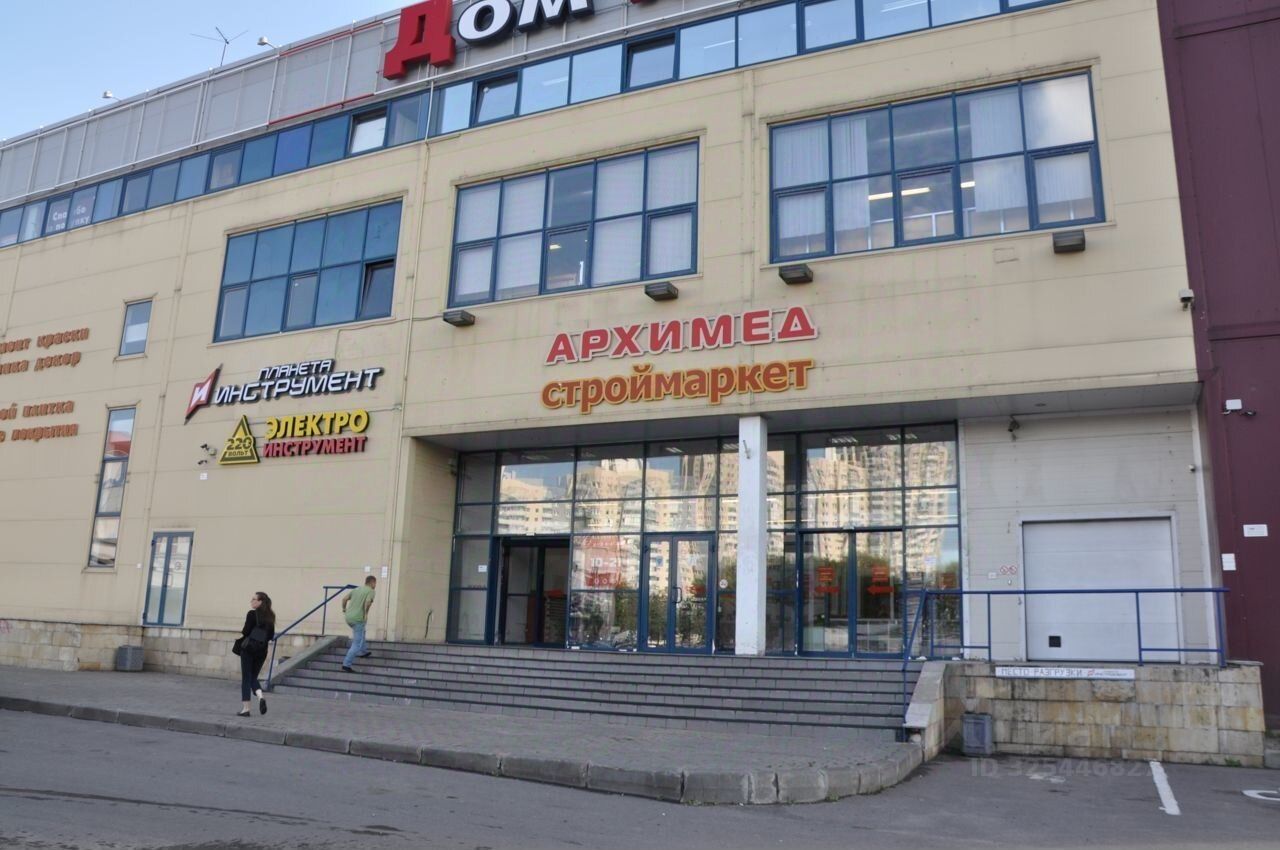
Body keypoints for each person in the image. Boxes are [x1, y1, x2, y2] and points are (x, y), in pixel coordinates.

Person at [234, 591, 275, 717]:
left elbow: (245, 631)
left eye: (254, 599)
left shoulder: (251, 614)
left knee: (247, 678)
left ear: (260, 602)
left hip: (249, 649)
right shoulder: (270, 616)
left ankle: (246, 709)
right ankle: (260, 696)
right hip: (262, 651)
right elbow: (271, 636)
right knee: (253, 677)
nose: (251, 601)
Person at [341, 576, 376, 672]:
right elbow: (368, 602)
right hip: (358, 619)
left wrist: (344, 609)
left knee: (362, 631)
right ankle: (346, 664)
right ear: (372, 582)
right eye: (375, 583)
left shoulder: (356, 589)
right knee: (356, 643)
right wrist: (366, 614)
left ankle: (363, 651)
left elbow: (344, 599)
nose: (375, 585)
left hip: (348, 617)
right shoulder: (371, 591)